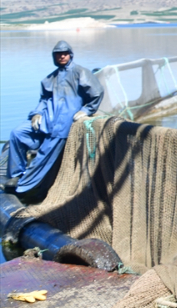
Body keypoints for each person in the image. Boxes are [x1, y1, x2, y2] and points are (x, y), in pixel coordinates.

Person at [3, 41, 104, 199]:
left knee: (44, 154)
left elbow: (97, 93)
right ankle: (16, 174)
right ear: (54, 56)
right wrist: (36, 114)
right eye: (58, 54)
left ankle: (23, 187)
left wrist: (85, 110)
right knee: (17, 133)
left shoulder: (81, 73)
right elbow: (43, 100)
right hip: (47, 121)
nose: (62, 56)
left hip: (64, 124)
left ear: (70, 54)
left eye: (65, 53)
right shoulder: (50, 78)